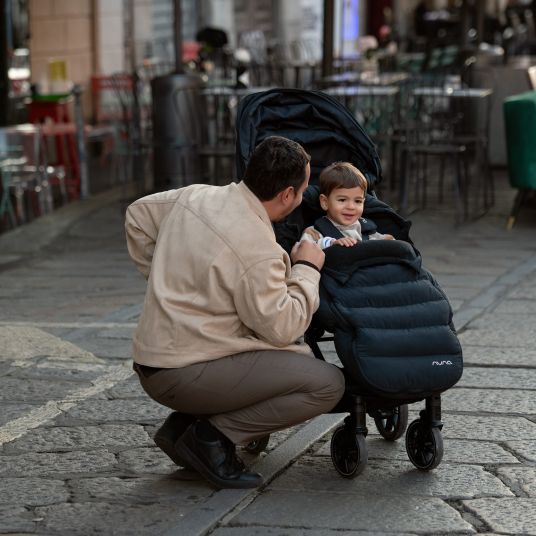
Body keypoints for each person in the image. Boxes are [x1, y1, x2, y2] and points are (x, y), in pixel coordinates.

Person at [125, 136, 345, 490]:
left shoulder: (195, 195)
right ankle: (210, 438)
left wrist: (166, 279)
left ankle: (182, 428)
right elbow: (285, 327)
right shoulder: (259, 249)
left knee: (273, 357)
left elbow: (137, 216)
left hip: (153, 362)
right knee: (326, 384)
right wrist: (307, 266)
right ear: (287, 194)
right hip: (184, 373)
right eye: (304, 189)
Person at [300, 161, 394, 249]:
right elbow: (303, 250)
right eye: (342, 200)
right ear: (325, 202)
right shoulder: (315, 231)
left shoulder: (366, 229)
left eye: (358, 201)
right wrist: (331, 244)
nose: (351, 207)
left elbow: (387, 244)